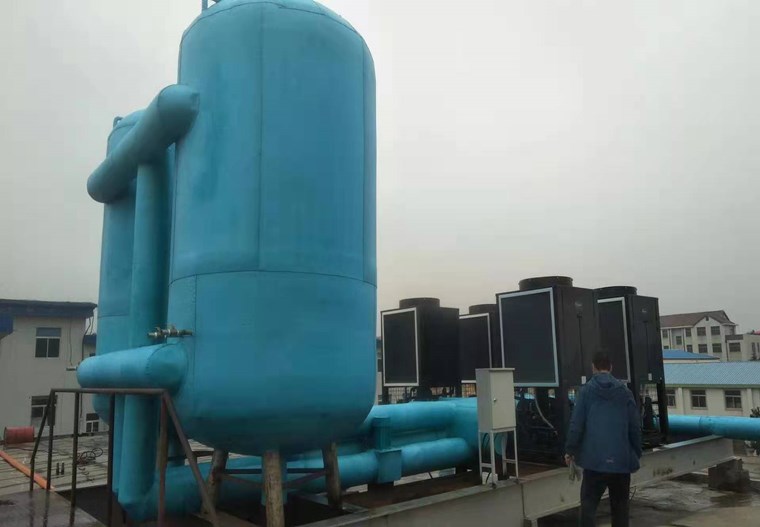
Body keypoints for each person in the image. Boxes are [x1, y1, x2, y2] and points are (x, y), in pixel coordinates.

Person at [564, 351, 642, 527]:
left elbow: (576, 425)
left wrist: (570, 450)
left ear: (593, 367)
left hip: (594, 462)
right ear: (611, 367)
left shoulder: (586, 392)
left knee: (588, 508)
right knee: (620, 510)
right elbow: (635, 427)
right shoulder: (625, 392)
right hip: (621, 462)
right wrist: (636, 452)